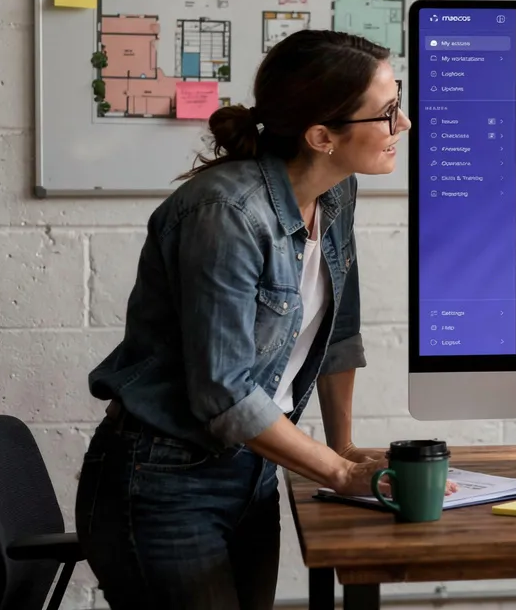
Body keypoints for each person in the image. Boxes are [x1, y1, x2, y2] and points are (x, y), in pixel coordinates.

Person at [76, 30, 413, 610]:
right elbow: (224, 393)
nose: (403, 124)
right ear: (321, 136)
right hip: (164, 481)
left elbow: (339, 335)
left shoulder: (338, 192)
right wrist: (337, 473)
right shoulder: (227, 214)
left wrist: (346, 446)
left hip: (252, 468)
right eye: (386, 113)